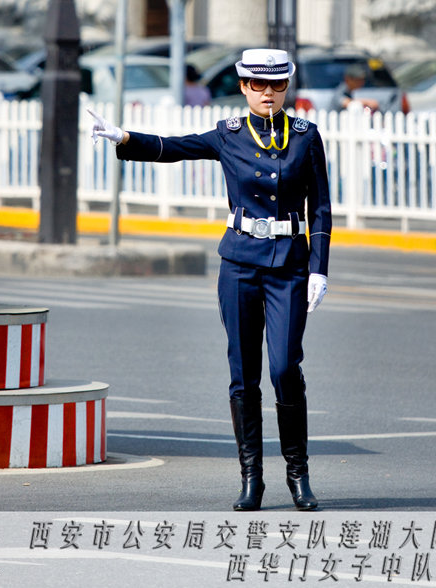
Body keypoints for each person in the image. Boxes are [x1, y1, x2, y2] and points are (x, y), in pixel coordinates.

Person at [89, 48, 331, 512]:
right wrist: (123, 137)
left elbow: (319, 208)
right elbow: (173, 148)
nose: (267, 93)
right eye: (257, 85)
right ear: (243, 87)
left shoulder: (305, 137)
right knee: (244, 376)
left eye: (276, 85)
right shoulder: (229, 136)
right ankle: (251, 479)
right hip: (239, 263)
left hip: (289, 268)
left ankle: (298, 474)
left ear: (287, 87)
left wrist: (319, 267)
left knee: (284, 369)